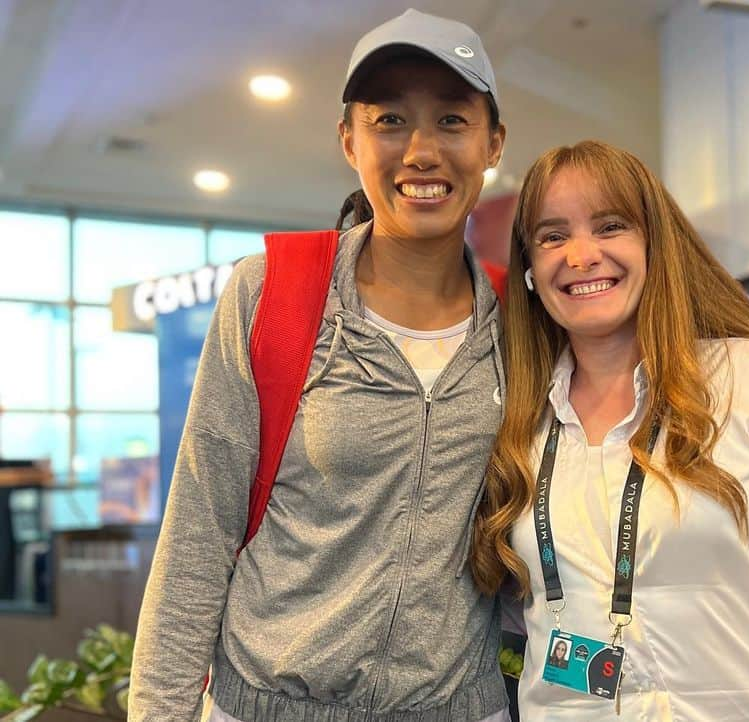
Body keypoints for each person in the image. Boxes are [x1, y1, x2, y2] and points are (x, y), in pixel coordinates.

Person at [130, 9, 510, 722]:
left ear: (493, 142)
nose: (421, 151)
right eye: (389, 120)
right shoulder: (271, 291)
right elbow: (198, 532)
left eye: (452, 121)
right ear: (349, 140)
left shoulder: (515, 323)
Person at [469, 140, 749, 721]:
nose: (580, 254)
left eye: (610, 225)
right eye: (552, 236)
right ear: (528, 269)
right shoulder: (517, 423)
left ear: (655, 243)